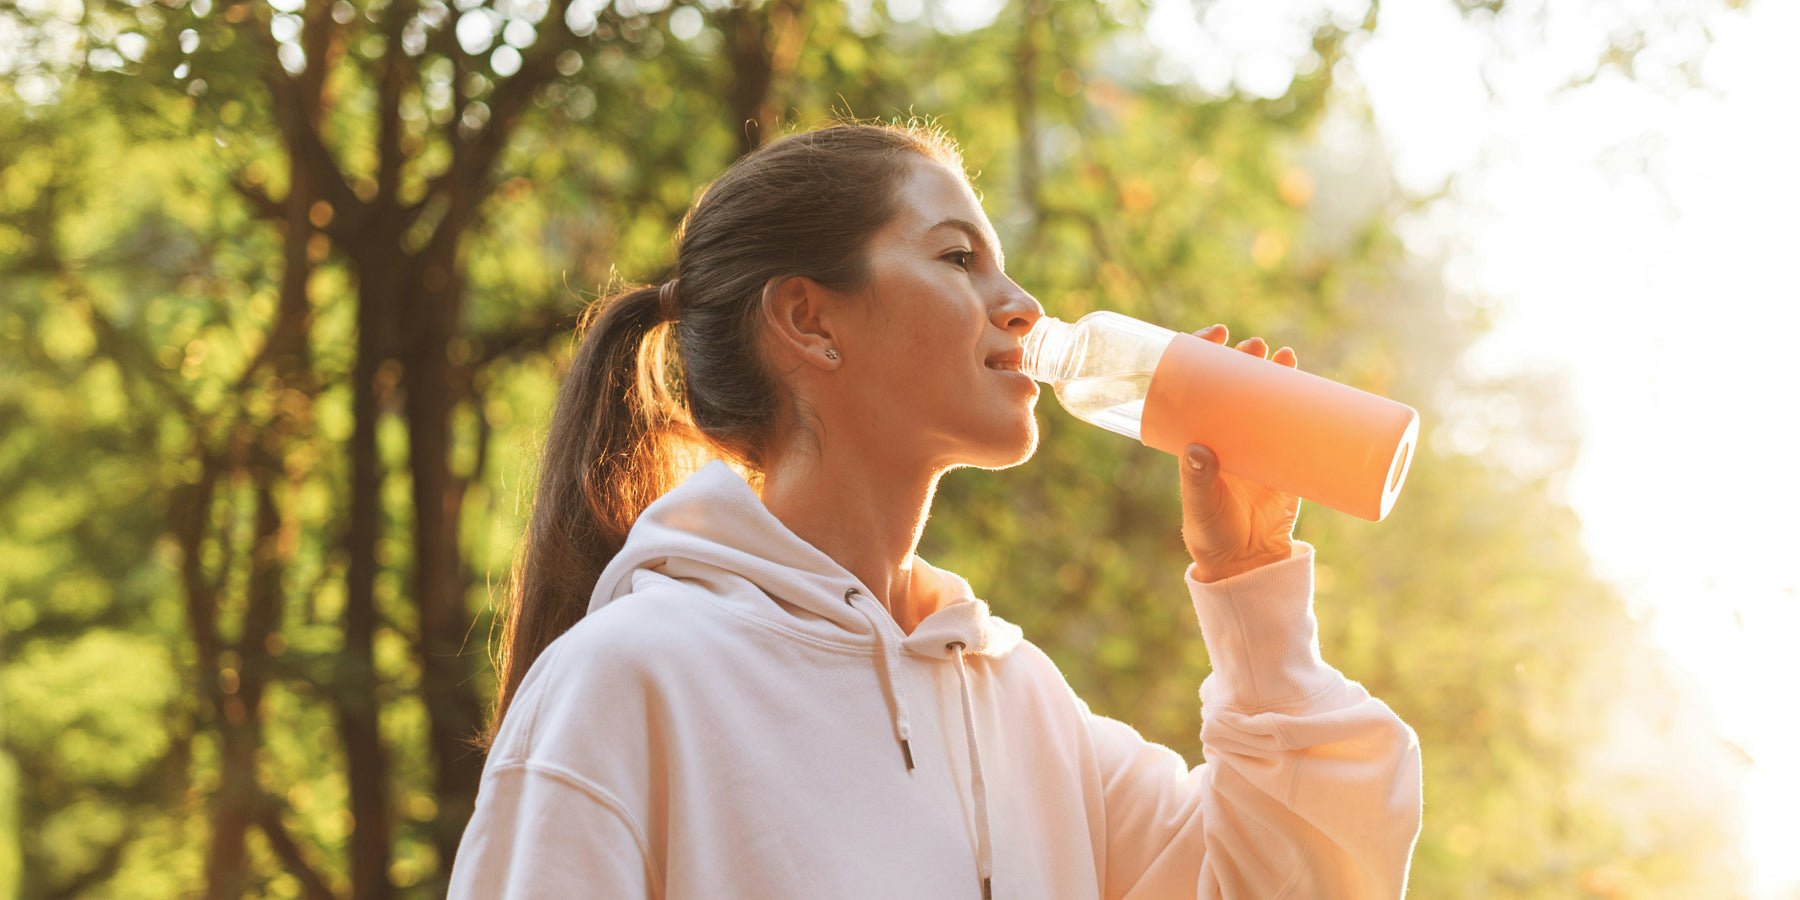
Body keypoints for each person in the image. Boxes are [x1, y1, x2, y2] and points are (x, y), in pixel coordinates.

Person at [448, 122, 1422, 899]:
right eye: (959, 258)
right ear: (809, 320)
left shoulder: (1025, 709)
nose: (1024, 305)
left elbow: (1307, 880)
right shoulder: (629, 683)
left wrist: (1250, 585)